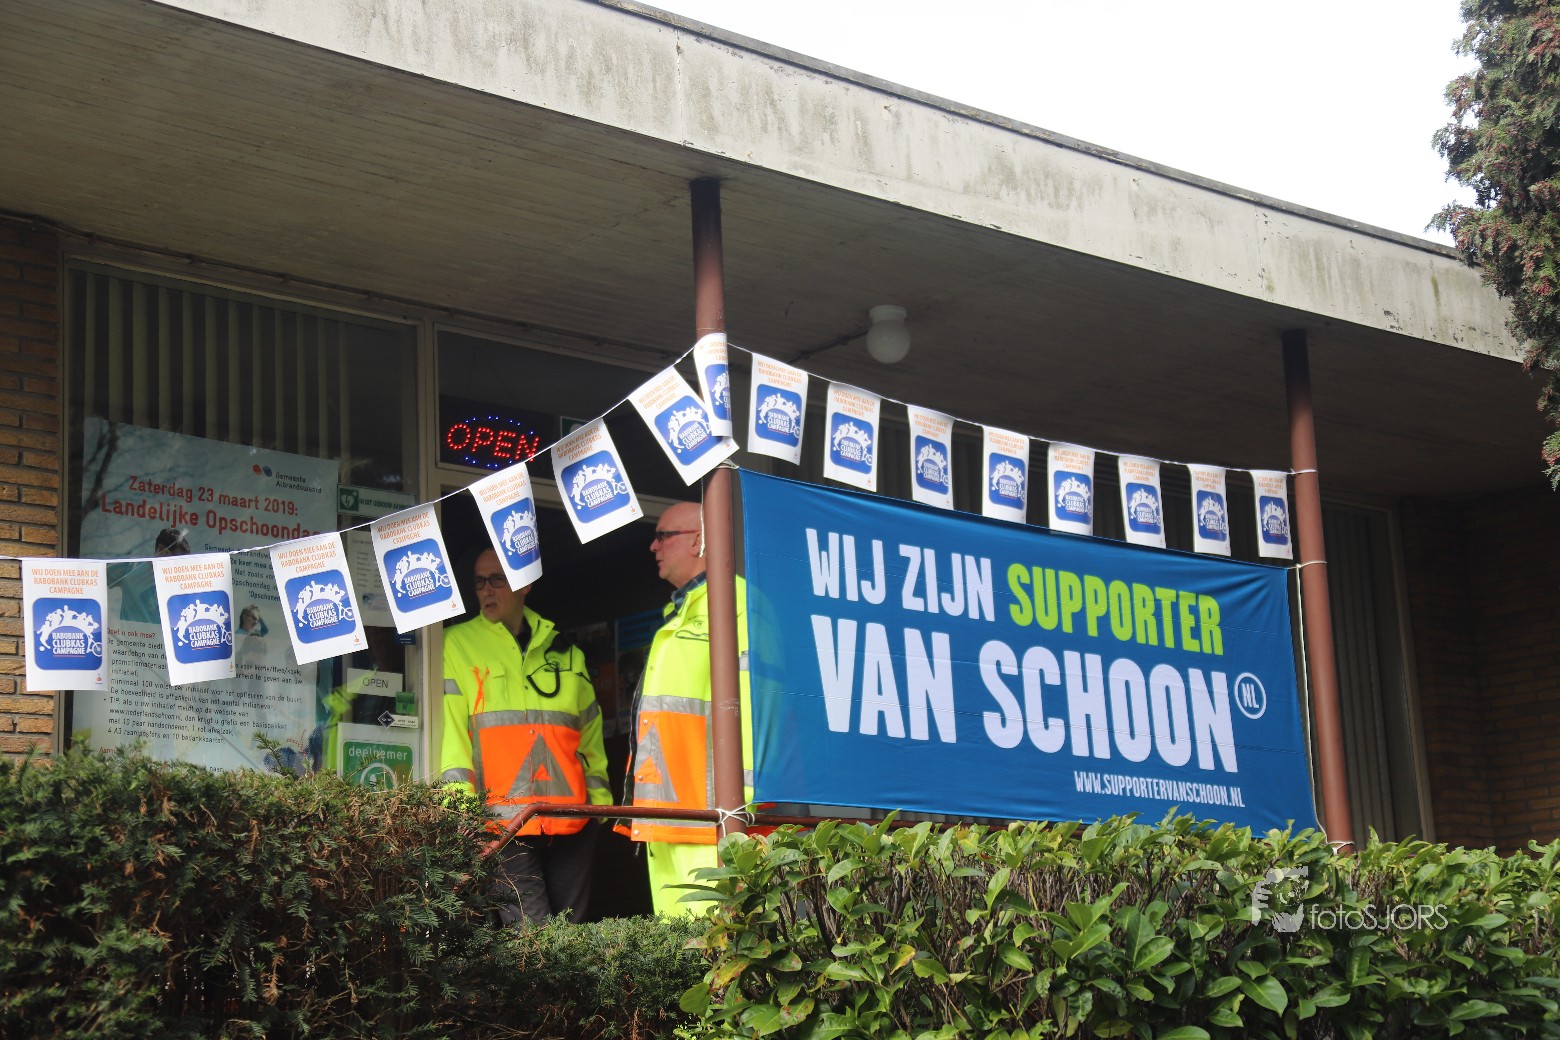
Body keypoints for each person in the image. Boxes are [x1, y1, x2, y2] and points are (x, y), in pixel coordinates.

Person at [440, 549, 611, 925]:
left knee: (573, 936)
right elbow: (451, 738)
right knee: (530, 935)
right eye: (479, 582)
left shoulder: (565, 651)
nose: (486, 590)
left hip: (572, 822)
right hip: (500, 826)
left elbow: (590, 733)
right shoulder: (455, 645)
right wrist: (461, 814)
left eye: (496, 580)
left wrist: (598, 808)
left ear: (525, 583)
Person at [621, 501, 753, 916]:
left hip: (712, 819)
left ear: (699, 540)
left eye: (663, 535)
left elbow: (756, 713)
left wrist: (741, 813)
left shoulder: (739, 606)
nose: (653, 546)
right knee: (677, 946)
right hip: (668, 815)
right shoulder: (681, 614)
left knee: (715, 943)